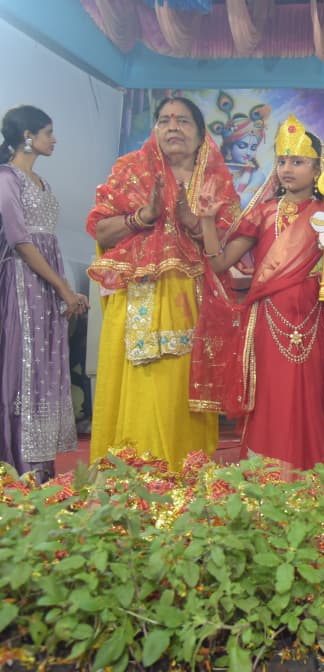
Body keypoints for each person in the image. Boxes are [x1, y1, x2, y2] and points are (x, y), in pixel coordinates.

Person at [87, 96, 239, 471]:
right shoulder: (130, 170)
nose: (173, 127)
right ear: (155, 130)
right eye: (165, 120)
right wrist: (146, 214)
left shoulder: (216, 183)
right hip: (136, 299)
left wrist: (192, 220)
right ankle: (132, 479)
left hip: (192, 302)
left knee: (180, 393)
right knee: (136, 387)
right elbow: (102, 231)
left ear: (201, 134)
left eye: (183, 121)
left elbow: (227, 247)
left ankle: (184, 476)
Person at [195, 115, 324, 472]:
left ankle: (307, 474)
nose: (287, 168)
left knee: (308, 394)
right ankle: (266, 475)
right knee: (271, 393)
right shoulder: (264, 213)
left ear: (317, 169)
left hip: (313, 320)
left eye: (298, 162)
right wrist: (207, 221)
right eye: (282, 161)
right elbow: (220, 262)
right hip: (268, 320)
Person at [0, 105, 86, 481]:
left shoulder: (42, 183)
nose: (54, 139)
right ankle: (15, 465)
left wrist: (65, 290)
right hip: (22, 283)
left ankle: (40, 466)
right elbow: (20, 241)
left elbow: (48, 242)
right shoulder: (7, 178)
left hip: (47, 285)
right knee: (24, 366)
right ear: (27, 136)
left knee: (45, 366)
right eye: (48, 132)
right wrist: (63, 287)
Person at [208, 92, 270, 207]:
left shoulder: (257, 175)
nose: (248, 152)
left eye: (253, 148)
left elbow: (243, 204)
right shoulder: (213, 172)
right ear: (229, 148)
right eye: (242, 146)